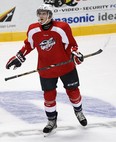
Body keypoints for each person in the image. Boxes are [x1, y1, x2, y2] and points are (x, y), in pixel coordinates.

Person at [6, 4, 87, 134]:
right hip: (46, 68)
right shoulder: (33, 29)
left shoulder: (62, 28)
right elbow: (29, 45)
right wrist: (19, 57)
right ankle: (51, 121)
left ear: (50, 15)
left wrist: (75, 54)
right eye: (40, 13)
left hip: (65, 66)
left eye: (44, 14)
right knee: (49, 96)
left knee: (73, 91)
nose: (41, 16)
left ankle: (79, 112)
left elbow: (72, 44)